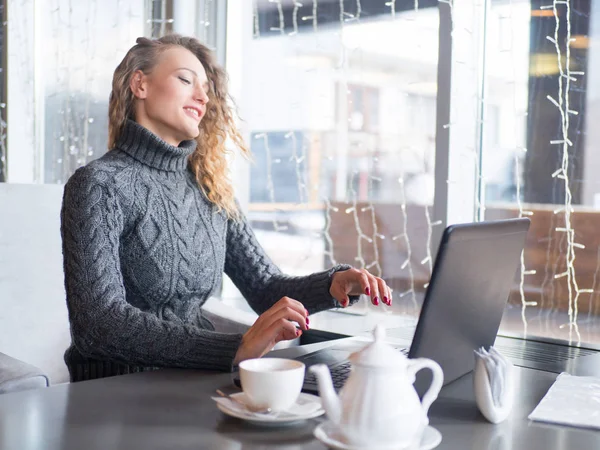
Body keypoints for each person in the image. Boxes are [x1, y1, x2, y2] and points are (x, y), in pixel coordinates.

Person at [60, 34, 392, 382]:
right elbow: (97, 324)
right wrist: (234, 348)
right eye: (186, 80)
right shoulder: (99, 184)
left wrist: (335, 284)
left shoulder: (210, 187)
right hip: (113, 392)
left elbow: (263, 287)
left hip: (191, 379)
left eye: (206, 88)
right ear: (140, 84)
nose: (203, 97)